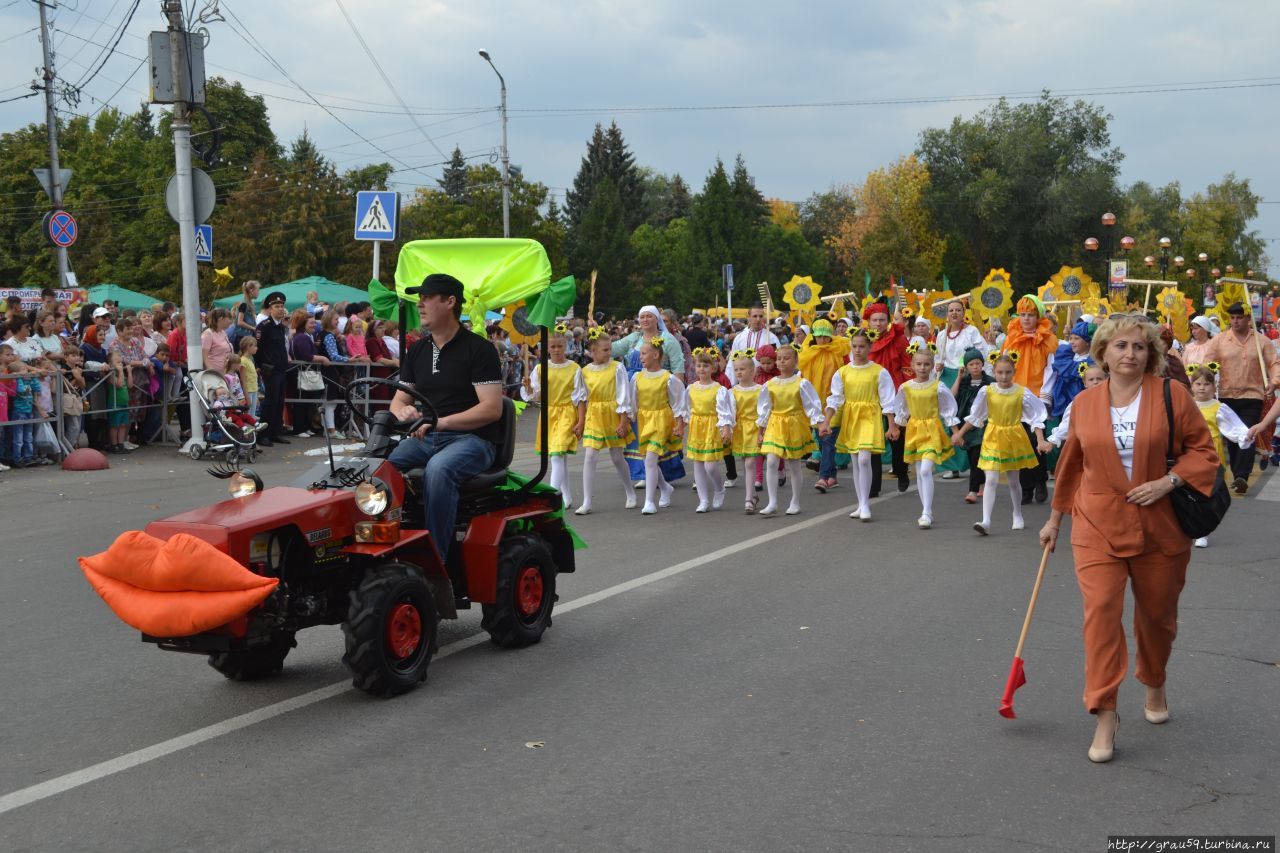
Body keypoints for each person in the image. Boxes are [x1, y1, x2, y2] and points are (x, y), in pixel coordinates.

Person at [1041, 313, 1218, 764]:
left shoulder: (1172, 395)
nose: (1130, 354)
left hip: (1161, 526)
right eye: (1120, 346)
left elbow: (1203, 451)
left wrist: (1169, 482)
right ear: (1102, 351)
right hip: (1097, 522)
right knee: (1101, 614)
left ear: (1151, 353)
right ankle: (1104, 713)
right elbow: (1072, 465)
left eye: (1139, 347)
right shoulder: (1085, 404)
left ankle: (1154, 679)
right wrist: (1055, 520)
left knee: (1157, 618)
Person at [387, 274, 506, 565]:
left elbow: (492, 409)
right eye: (419, 298)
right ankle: (383, 549)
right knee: (377, 467)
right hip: (426, 437)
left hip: (473, 440)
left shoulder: (478, 349)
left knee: (439, 470)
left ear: (450, 301)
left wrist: (442, 422)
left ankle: (434, 565)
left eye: (427, 297)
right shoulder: (417, 350)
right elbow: (400, 400)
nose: (421, 304)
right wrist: (402, 412)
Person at [949, 352, 1047, 535]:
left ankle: (1017, 514)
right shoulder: (987, 391)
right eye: (1000, 372)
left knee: (1013, 481)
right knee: (991, 479)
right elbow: (977, 416)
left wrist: (1040, 440)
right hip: (993, 436)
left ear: (1014, 372)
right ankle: (986, 521)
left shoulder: (1021, 392)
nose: (1003, 376)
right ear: (994, 371)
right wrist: (960, 433)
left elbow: (1036, 418)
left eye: (1008, 372)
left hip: (1014, 437)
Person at [1201, 302, 1280, 493]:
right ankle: (1238, 474)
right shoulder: (1219, 340)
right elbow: (1207, 364)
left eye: (1239, 318)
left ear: (1247, 319)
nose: (1235, 321)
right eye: (1232, 318)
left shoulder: (1262, 341)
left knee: (1247, 433)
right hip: (1227, 395)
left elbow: (1274, 363)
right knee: (1233, 436)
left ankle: (1241, 476)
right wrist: (1206, 382)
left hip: (1253, 395)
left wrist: (1274, 382)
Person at [823, 329, 897, 521]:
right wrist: (826, 421)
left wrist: (891, 425)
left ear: (870, 347)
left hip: (869, 417)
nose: (857, 350)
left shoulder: (879, 372)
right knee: (856, 461)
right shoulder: (843, 372)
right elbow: (835, 399)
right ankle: (861, 503)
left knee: (864, 459)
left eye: (862, 346)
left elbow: (888, 400)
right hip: (851, 417)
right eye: (854, 346)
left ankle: (865, 505)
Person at [1183, 363, 1251, 548]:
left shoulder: (1218, 408)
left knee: (1206, 495)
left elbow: (1234, 427)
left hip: (1211, 457)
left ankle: (1202, 532)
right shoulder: (1186, 405)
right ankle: (1188, 527)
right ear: (1191, 386)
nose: (1202, 387)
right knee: (1188, 494)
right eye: (1198, 384)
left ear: (1214, 387)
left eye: (1206, 384)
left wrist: (1245, 436)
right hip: (1189, 456)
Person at [520, 324, 588, 509]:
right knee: (558, 457)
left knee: (557, 455)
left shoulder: (574, 368)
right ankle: (565, 496)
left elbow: (581, 397)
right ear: (547, 348)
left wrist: (581, 421)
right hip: (548, 414)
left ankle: (549, 498)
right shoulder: (541, 369)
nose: (556, 350)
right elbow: (535, 394)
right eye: (552, 346)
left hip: (566, 414)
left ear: (565, 345)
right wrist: (528, 387)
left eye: (559, 346)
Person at [893, 344, 958, 529]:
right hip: (914, 430)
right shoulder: (906, 387)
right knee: (920, 471)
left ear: (932, 366)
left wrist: (955, 433)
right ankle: (925, 509)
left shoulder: (938, 386)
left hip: (931, 429)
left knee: (925, 470)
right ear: (912, 366)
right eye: (919, 364)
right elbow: (902, 410)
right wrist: (896, 427)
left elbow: (948, 410)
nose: (922, 368)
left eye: (926, 364)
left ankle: (926, 512)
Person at [756, 344, 823, 517]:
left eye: (786, 358)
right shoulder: (770, 384)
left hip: (794, 424)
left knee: (793, 464)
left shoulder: (801, 383)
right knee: (771, 461)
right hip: (775, 424)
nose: (782, 361)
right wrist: (761, 430)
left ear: (795, 361)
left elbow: (812, 405)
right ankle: (772, 502)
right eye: (779, 358)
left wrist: (819, 423)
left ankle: (795, 501)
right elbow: (765, 408)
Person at [576, 327, 636, 515]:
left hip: (613, 413)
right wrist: (581, 421)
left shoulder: (617, 367)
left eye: (610, 349)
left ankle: (630, 491)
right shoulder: (584, 371)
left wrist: (623, 421)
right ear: (593, 351)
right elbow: (581, 398)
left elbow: (623, 396)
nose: (609, 353)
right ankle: (586, 501)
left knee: (617, 457)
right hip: (595, 414)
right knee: (590, 456)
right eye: (605, 350)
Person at [631, 337, 687, 515]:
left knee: (650, 459)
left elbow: (679, 401)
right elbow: (633, 401)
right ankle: (664, 487)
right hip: (644, 420)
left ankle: (648, 501)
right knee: (650, 459)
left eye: (644, 353)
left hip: (662, 419)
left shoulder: (667, 378)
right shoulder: (637, 377)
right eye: (640, 354)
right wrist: (628, 418)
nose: (641, 357)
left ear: (656, 355)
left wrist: (680, 424)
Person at [797, 318, 851, 492]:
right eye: (819, 336)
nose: (822, 340)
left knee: (828, 439)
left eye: (825, 336)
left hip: (834, 401)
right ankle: (832, 476)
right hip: (814, 402)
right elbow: (802, 374)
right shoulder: (808, 352)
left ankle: (823, 476)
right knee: (820, 439)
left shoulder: (840, 348)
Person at [684, 348, 735, 513]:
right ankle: (703, 500)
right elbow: (685, 408)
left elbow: (723, 410)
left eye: (705, 366)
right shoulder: (691, 388)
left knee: (710, 466)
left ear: (713, 368)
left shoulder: (718, 389)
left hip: (711, 427)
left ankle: (719, 488)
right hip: (696, 427)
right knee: (698, 464)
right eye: (699, 366)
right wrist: (680, 424)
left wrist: (725, 427)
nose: (702, 369)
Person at [952, 348, 995, 505]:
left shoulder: (990, 381)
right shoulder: (964, 381)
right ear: (966, 366)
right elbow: (952, 396)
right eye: (971, 364)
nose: (975, 367)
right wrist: (958, 377)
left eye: (978, 363)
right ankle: (981, 482)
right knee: (972, 455)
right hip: (967, 422)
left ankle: (972, 490)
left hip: (983, 423)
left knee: (977, 451)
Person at [254, 291, 291, 447]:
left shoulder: (280, 327)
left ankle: (275, 432)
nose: (280, 309)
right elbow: (258, 349)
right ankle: (264, 434)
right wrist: (260, 366)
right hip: (270, 369)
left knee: (279, 402)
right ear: (270, 309)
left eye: (282, 306)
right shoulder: (264, 327)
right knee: (270, 402)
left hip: (281, 369)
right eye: (277, 306)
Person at [729, 352, 764, 514]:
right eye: (736, 370)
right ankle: (753, 494)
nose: (739, 372)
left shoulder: (760, 390)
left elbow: (764, 410)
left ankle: (748, 499)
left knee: (750, 462)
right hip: (740, 429)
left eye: (742, 369)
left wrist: (762, 431)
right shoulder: (732, 391)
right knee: (744, 462)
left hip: (754, 427)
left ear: (752, 371)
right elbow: (729, 412)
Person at [230, 280, 260, 349]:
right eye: (257, 290)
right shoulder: (244, 304)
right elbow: (240, 322)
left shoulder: (251, 303)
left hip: (248, 336)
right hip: (242, 337)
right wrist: (253, 328)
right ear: (251, 291)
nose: (259, 292)